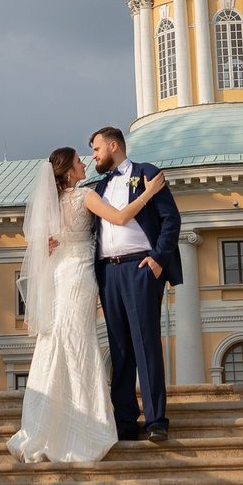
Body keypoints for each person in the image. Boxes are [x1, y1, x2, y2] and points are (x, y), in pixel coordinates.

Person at [6, 146, 168, 465]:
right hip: (79, 274)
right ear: (69, 172)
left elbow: (43, 246)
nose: (85, 164)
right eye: (79, 162)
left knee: (56, 339)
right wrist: (148, 193)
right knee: (79, 340)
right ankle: (84, 425)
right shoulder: (84, 196)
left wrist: (48, 245)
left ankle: (48, 422)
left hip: (60, 273)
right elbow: (119, 217)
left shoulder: (50, 204)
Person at [86, 125, 182, 443]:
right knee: (119, 347)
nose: (94, 156)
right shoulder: (99, 187)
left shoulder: (146, 173)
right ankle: (125, 420)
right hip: (108, 272)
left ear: (113, 146)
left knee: (146, 343)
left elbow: (171, 219)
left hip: (141, 267)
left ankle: (156, 420)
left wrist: (158, 259)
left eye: (96, 149)